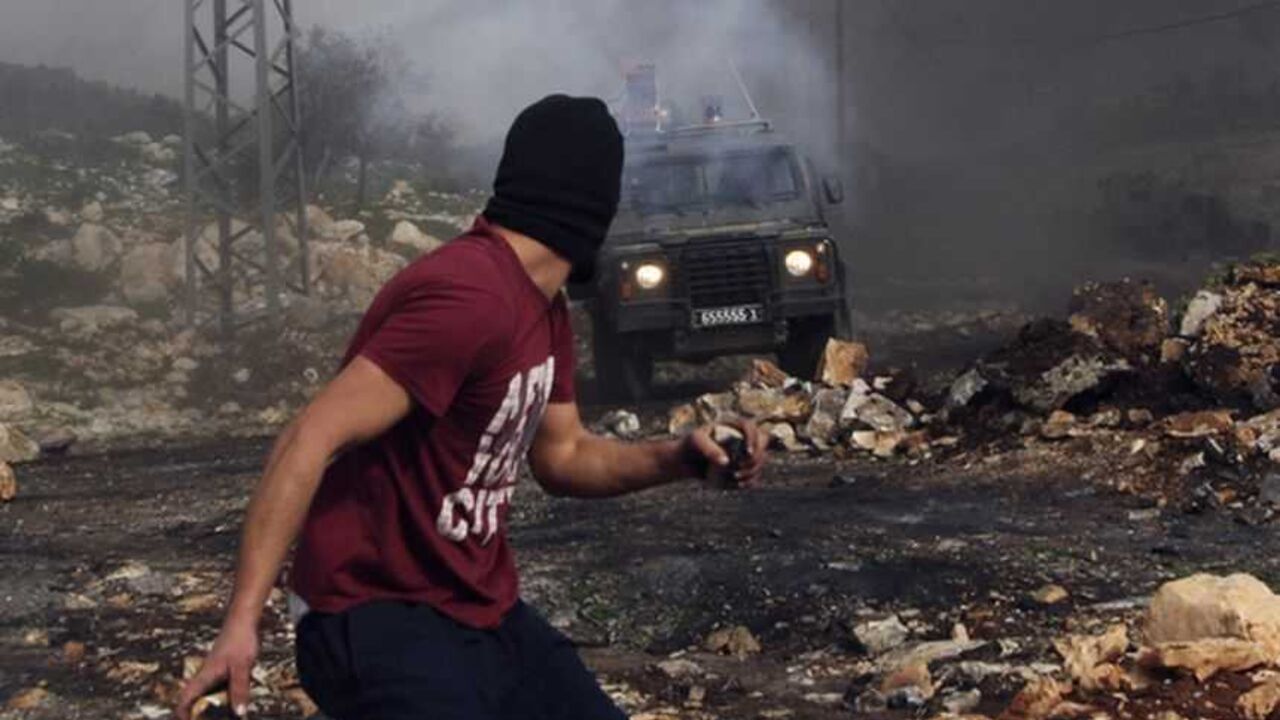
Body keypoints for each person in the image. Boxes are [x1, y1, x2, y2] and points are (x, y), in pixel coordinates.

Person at [175, 95, 768, 720]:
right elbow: (309, 438)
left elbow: (564, 455)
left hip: (480, 610)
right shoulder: (469, 298)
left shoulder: (543, 306)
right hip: (375, 612)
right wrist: (241, 622)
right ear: (596, 200)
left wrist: (679, 457)